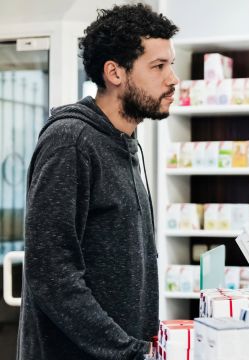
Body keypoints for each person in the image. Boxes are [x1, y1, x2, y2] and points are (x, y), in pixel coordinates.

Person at [17, 4, 179, 359]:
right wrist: (126, 351)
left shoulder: (125, 143)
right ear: (115, 73)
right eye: (158, 66)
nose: (172, 79)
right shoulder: (71, 140)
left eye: (171, 65)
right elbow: (51, 275)